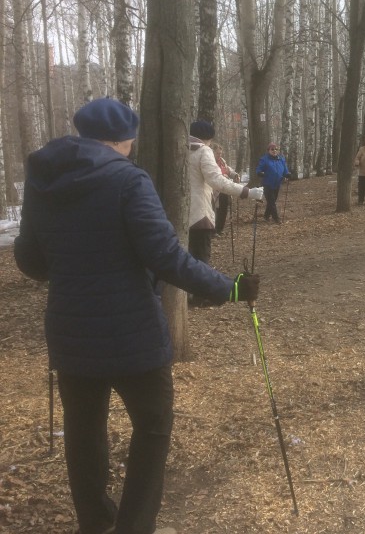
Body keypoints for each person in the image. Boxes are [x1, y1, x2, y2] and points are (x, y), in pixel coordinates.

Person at [13, 98, 261, 534]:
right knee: (153, 425)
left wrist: (72, 262)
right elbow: (165, 255)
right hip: (132, 334)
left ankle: (96, 522)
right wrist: (230, 288)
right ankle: (134, 525)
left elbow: (31, 262)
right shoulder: (128, 179)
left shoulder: (44, 179)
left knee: (83, 430)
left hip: (71, 331)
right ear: (122, 138)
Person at [188, 121, 262, 267]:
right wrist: (246, 192)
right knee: (201, 261)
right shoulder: (203, 150)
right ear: (207, 138)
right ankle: (202, 289)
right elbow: (217, 180)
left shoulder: (178, 147)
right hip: (199, 216)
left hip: (178, 216)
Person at [256, 143, 291, 224]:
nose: (274, 151)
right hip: (267, 184)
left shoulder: (281, 159)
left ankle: (266, 216)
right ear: (268, 151)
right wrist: (260, 173)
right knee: (271, 202)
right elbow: (259, 168)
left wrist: (287, 174)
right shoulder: (264, 159)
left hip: (277, 183)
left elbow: (285, 169)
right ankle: (276, 219)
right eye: (272, 149)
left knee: (272, 201)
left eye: (276, 149)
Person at [210, 142, 240, 235]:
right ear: (212, 152)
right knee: (214, 210)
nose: (219, 155)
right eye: (217, 153)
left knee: (223, 209)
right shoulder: (210, 162)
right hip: (214, 190)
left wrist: (234, 175)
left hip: (224, 189)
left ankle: (220, 229)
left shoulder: (222, 161)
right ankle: (213, 230)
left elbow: (228, 170)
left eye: (220, 153)